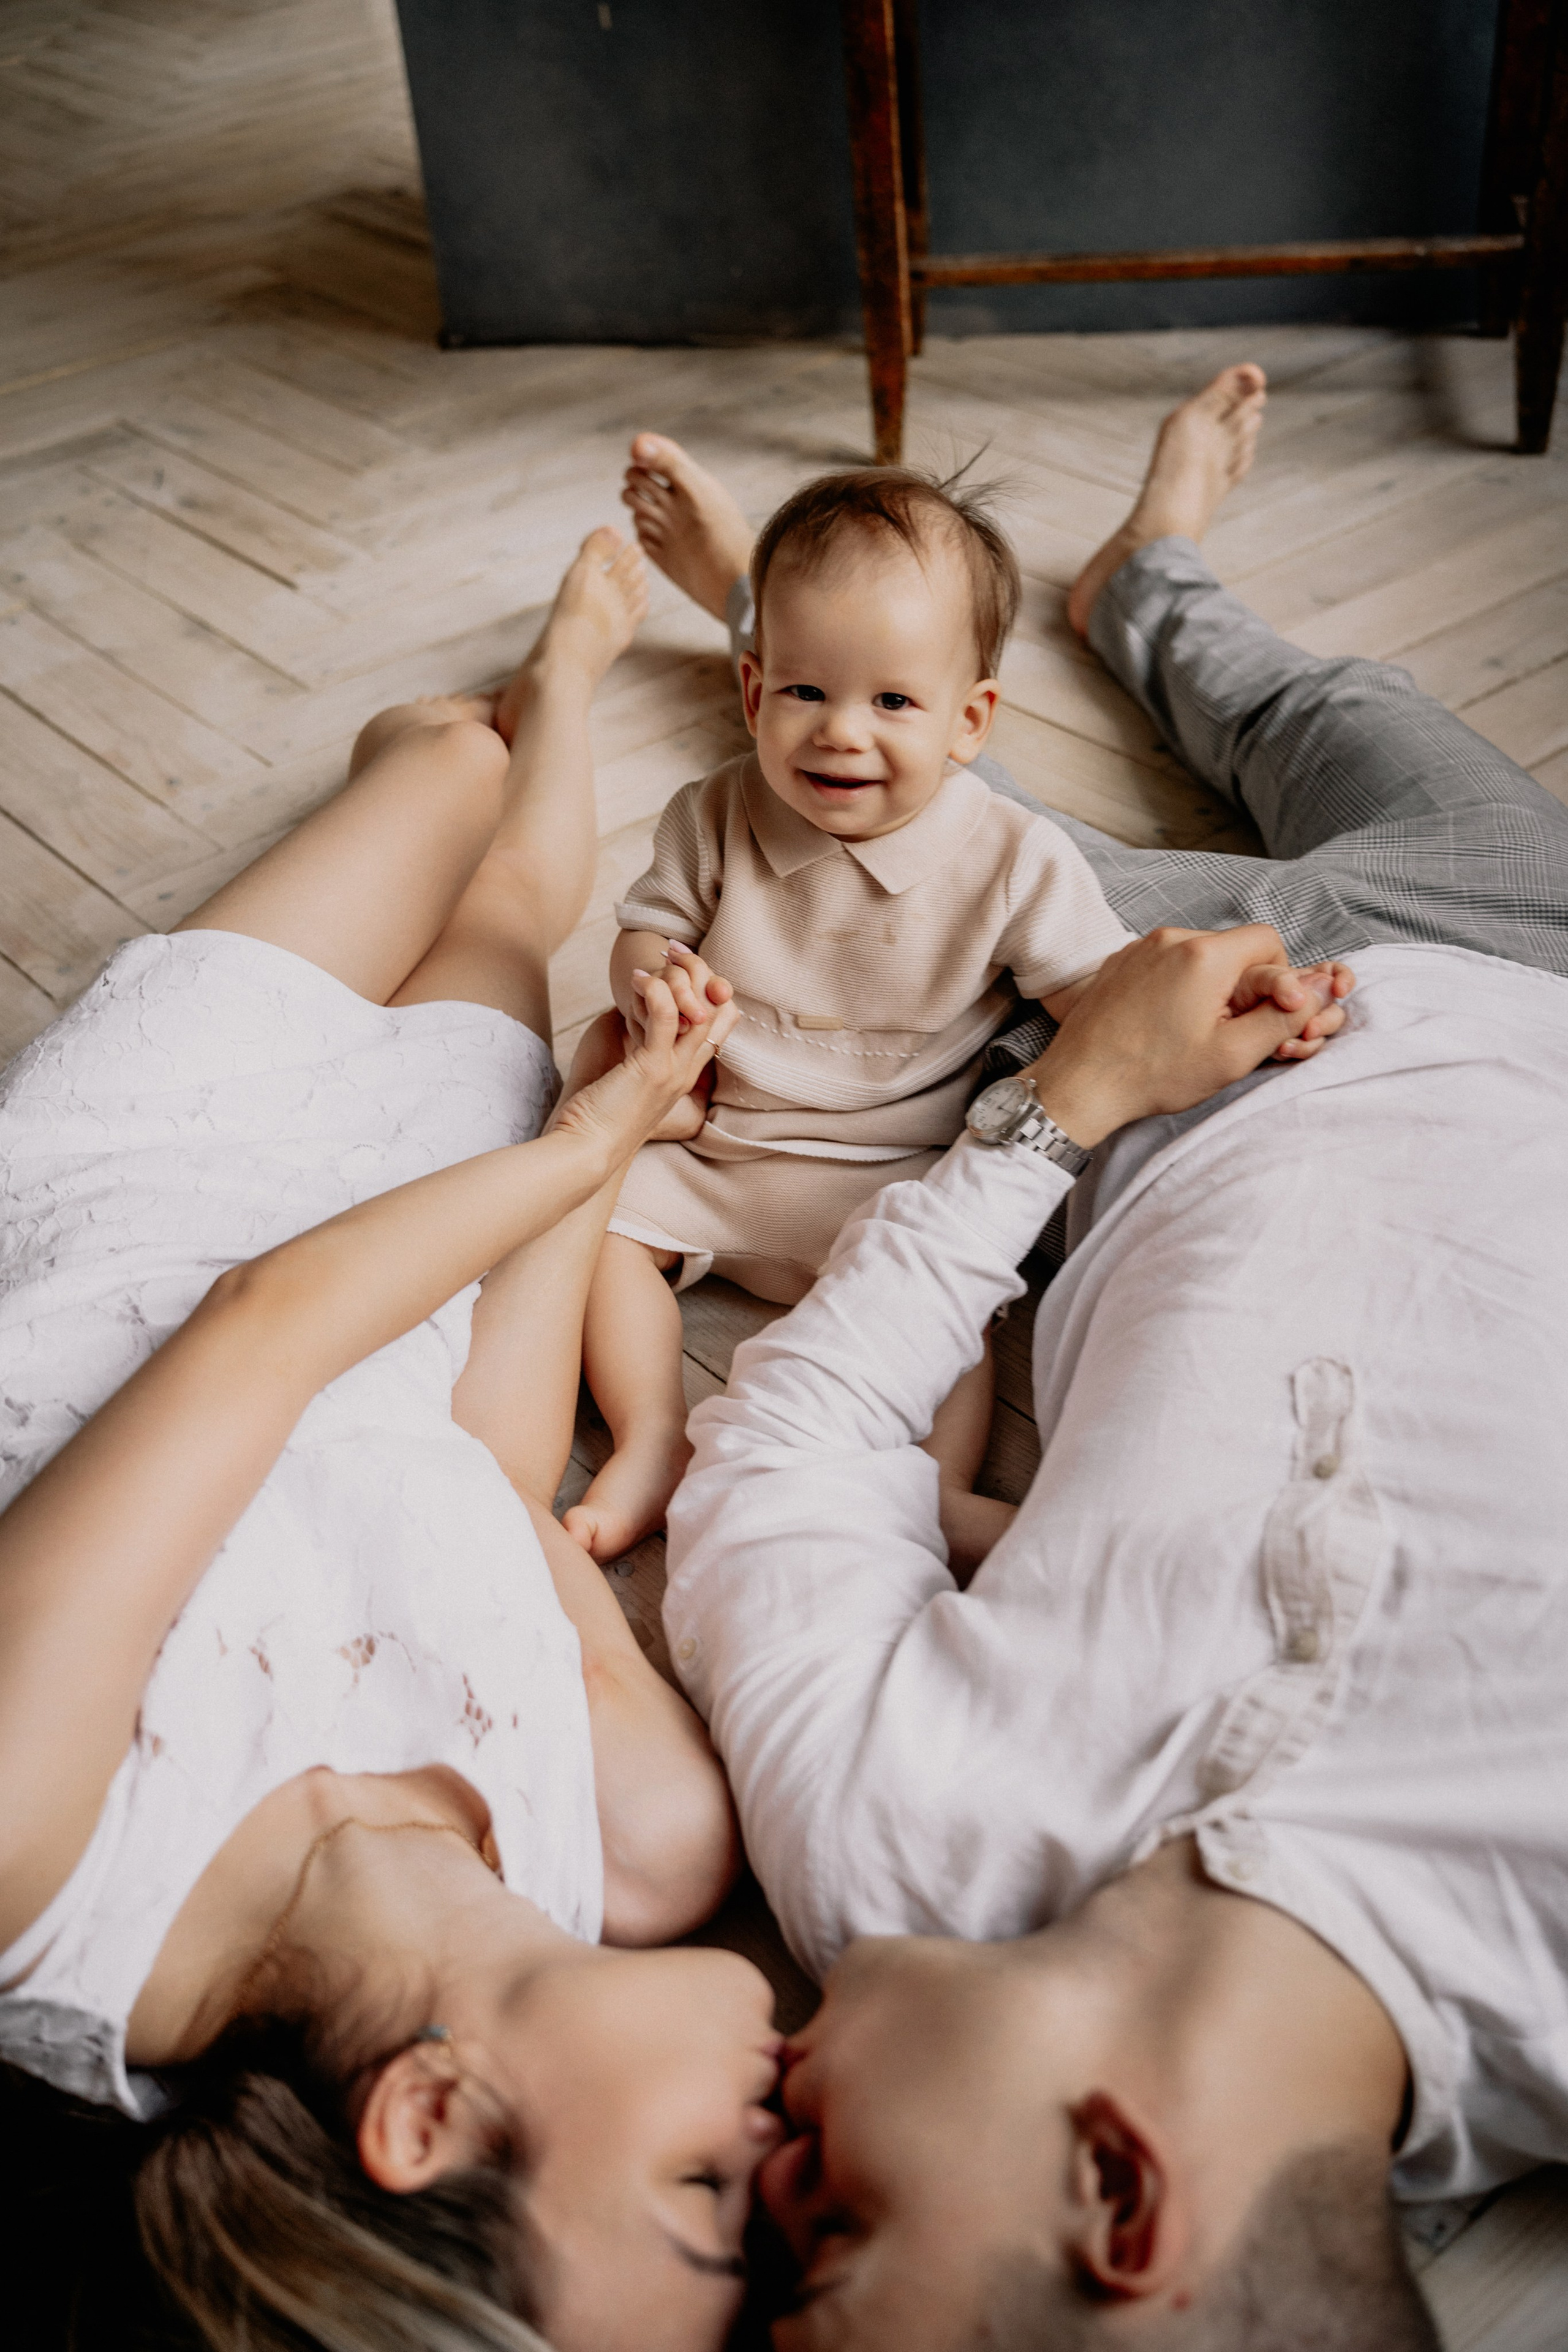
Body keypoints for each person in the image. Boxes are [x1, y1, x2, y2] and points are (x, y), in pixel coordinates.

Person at [630, 369, 1568, 2346]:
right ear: (1118, 2192)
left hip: (1146, 1057)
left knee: (886, 798)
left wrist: (1071, 1095)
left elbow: (797, 1424)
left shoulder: (886, 1846)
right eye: (840, 2240)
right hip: (1543, 955)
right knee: (1317, 713)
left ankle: (773, 616)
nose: (766, 2177)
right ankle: (1154, 576)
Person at [0, 530, 788, 2352]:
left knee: (438, 760)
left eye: (702, 2201)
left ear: (427, 2120)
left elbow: (254, 1339)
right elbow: (485, 1478)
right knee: (514, 894)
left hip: (138, 1177)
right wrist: (600, 1126)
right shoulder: (650, 1839)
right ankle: (575, 677)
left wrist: (580, 1160)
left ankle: (505, 713)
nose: (773, 2162)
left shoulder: (48, 1880)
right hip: (422, 1247)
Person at [568, 461, 1349, 1562]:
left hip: (889, 1175)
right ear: (753, 695)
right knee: (599, 1233)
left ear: (970, 721)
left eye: (892, 701)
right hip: (718, 1145)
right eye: (805, 693)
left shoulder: (1013, 857)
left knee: (960, 1312)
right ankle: (650, 1433)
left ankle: (932, 1490)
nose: (842, 732)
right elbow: (645, 929)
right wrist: (651, 977)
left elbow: (1100, 999)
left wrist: (1238, 1010)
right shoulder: (713, 814)